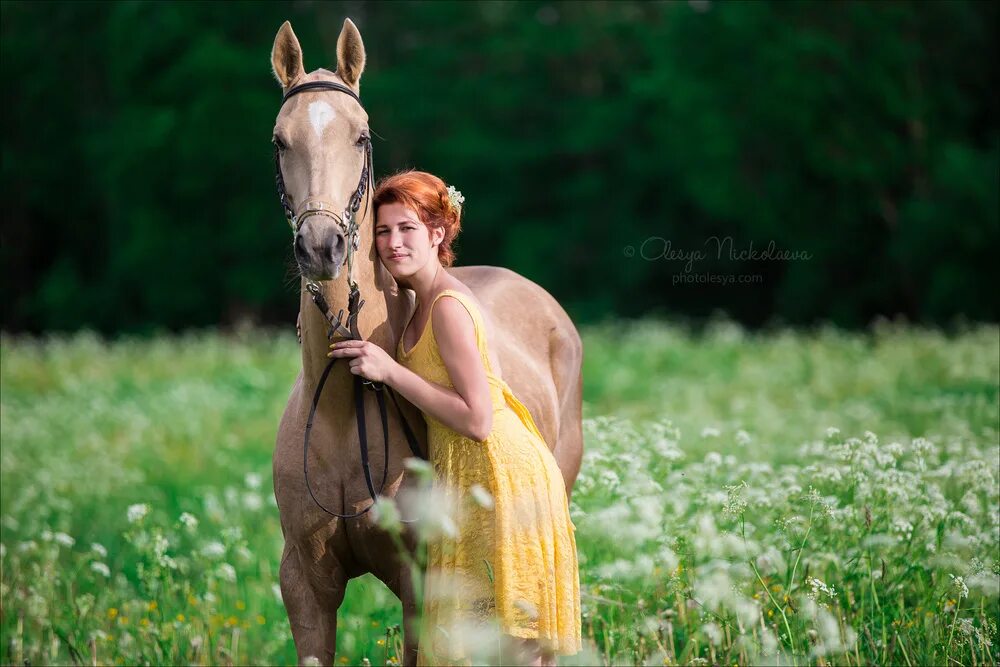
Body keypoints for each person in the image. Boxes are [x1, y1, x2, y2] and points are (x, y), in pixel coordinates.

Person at [327, 170, 581, 666]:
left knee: (515, 645)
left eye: (408, 229)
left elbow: (478, 418)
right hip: (465, 476)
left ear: (438, 234)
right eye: (382, 231)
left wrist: (390, 372)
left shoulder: (447, 306)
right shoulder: (417, 302)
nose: (393, 243)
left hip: (501, 475)